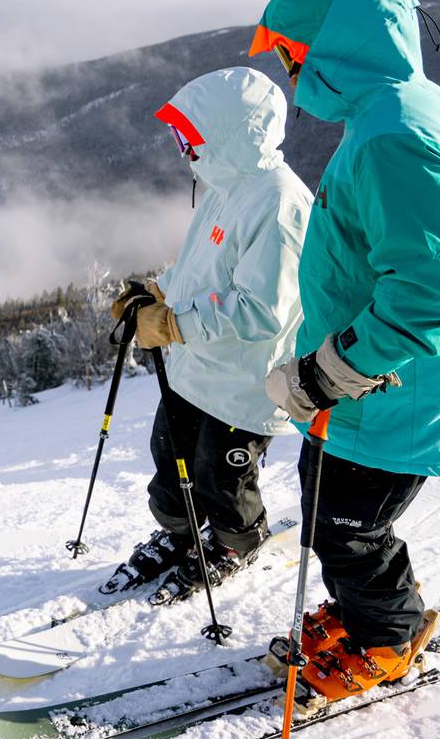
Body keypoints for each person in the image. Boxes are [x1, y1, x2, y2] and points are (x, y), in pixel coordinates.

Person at [253, 0, 440, 701]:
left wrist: (331, 371)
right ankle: (369, 609)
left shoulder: (398, 132)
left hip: (396, 383)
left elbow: (431, 288)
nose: (291, 74)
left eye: (293, 54)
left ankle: (388, 634)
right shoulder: (397, 113)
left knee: (346, 524)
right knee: (333, 508)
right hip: (381, 379)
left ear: (337, 44)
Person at [106, 66, 311, 600]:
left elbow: (261, 309)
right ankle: (179, 533)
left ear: (229, 133)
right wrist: (158, 292)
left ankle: (233, 541)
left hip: (245, 379)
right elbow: (198, 268)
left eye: (188, 136)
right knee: (168, 455)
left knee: (220, 477)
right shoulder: (223, 187)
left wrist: (172, 324)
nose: (183, 149)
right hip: (194, 365)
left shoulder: (281, 204)